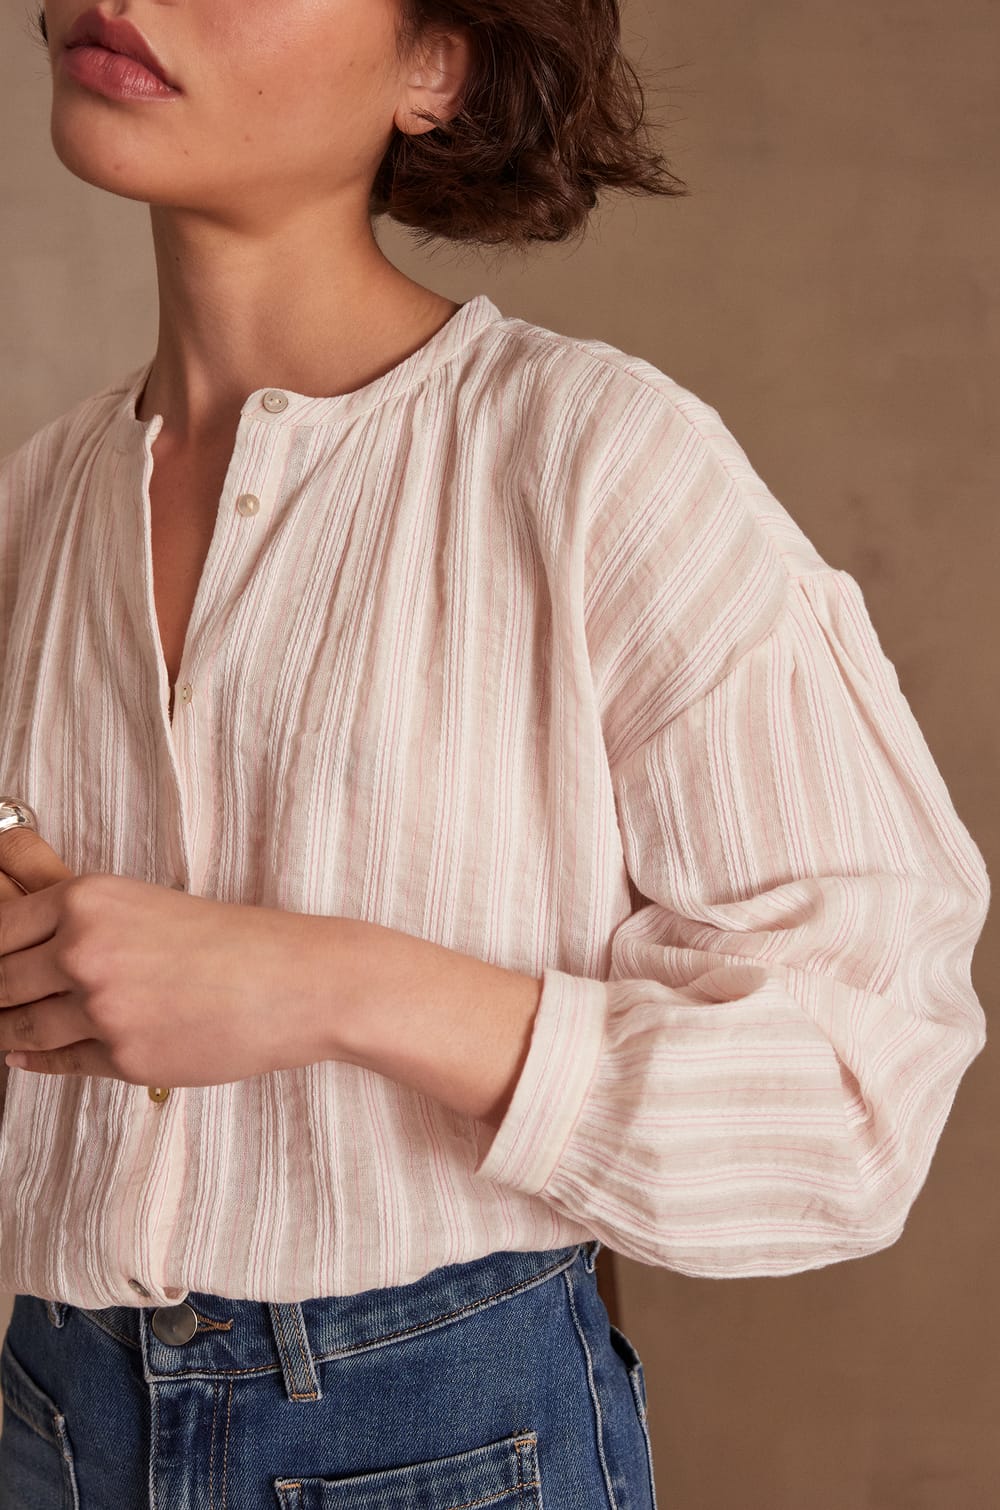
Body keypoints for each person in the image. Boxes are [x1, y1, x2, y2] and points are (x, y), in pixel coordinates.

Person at [0, 2, 990, 1506]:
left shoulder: (596, 461)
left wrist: (330, 983)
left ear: (435, 65)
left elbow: (855, 1095)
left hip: (451, 1445)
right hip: (51, 1420)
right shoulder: (30, 509)